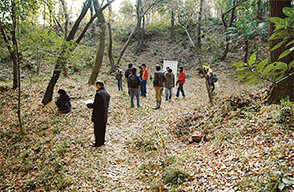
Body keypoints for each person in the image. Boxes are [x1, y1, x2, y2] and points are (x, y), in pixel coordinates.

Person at [87, 82, 110, 147]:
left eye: (96, 85)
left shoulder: (99, 94)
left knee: (97, 129)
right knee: (103, 129)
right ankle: (102, 141)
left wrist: (89, 105)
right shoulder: (107, 94)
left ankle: (98, 143)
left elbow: (96, 104)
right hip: (104, 114)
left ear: (98, 85)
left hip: (98, 114)